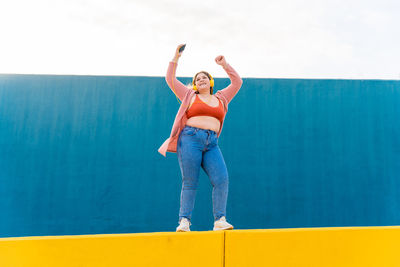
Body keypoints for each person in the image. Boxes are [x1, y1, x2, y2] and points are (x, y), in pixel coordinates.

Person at [158, 44, 243, 232]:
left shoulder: (222, 98)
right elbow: (170, 79)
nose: (201, 79)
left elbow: (237, 82)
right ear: (195, 84)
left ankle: (220, 220)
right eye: (198, 79)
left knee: (222, 178)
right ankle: (184, 221)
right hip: (190, 139)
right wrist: (176, 57)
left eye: (205, 77)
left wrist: (225, 64)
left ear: (211, 82)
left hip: (212, 143)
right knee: (190, 181)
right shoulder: (189, 95)